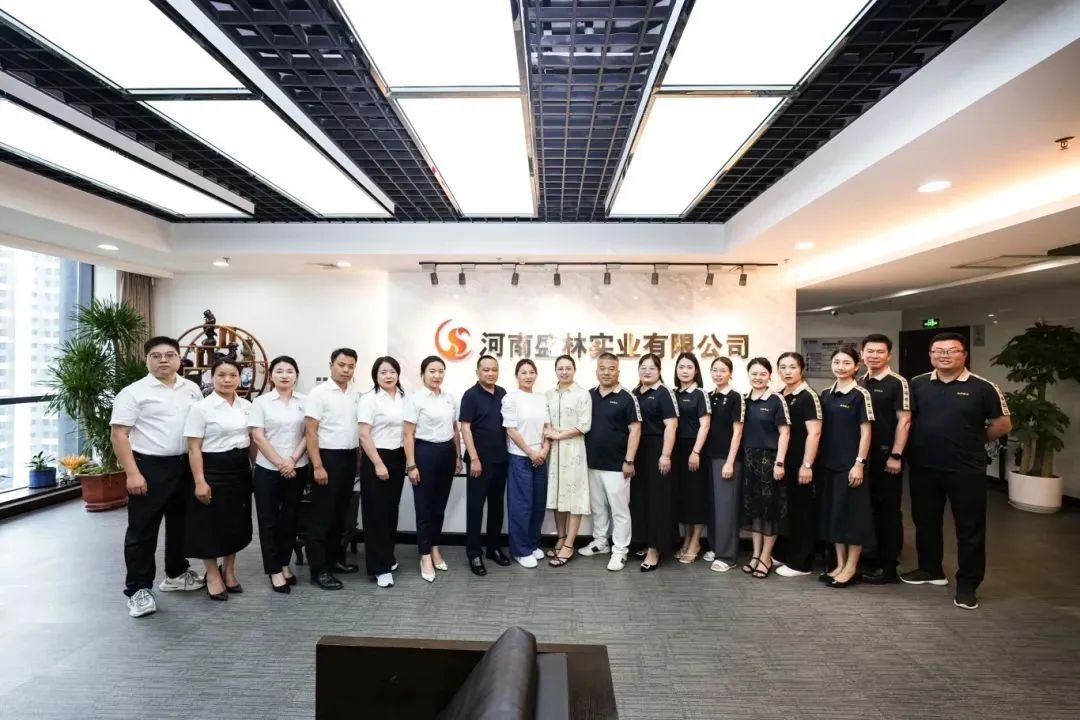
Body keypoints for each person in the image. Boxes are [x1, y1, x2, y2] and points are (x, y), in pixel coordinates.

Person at [903, 332, 1011, 610]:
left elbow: (1002, 424)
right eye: (938, 351)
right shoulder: (917, 384)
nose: (944, 355)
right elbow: (907, 419)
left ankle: (968, 584)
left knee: (970, 527)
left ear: (964, 355)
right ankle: (930, 569)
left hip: (965, 468)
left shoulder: (983, 387)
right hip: (924, 465)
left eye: (951, 350)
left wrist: (973, 439)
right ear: (930, 355)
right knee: (925, 521)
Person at [111, 336, 206, 618]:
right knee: (142, 531)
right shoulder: (133, 393)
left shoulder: (192, 389)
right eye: (156, 356)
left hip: (184, 465)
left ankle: (176, 573)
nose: (163, 360)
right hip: (149, 467)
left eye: (169, 355)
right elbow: (119, 435)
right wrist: (132, 473)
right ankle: (138, 590)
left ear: (179, 358)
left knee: (181, 524)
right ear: (147, 360)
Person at [183, 359, 253, 601]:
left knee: (236, 522)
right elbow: (193, 448)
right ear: (211, 378)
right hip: (212, 468)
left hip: (240, 468)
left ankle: (229, 570)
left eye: (232, 375)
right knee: (210, 524)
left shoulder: (247, 406)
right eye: (221, 375)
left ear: (239, 378)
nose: (227, 380)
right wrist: (199, 481)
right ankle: (212, 574)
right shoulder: (201, 408)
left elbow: (252, 441)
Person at [816, 347, 876, 588]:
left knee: (853, 517)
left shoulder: (861, 394)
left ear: (856, 367)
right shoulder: (825, 394)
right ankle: (839, 564)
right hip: (828, 465)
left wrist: (859, 463)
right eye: (837, 362)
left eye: (846, 362)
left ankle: (852, 567)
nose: (840, 367)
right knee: (834, 515)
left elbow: (866, 432)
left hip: (850, 466)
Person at [249, 356, 308, 594]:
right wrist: (280, 462)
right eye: (279, 371)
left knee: (290, 519)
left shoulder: (305, 401)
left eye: (290, 371)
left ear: (296, 376)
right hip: (267, 469)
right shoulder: (260, 402)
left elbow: (309, 434)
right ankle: (274, 570)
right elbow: (258, 436)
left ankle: (284, 563)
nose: (285, 375)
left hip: (298, 466)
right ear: (271, 375)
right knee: (268, 520)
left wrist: (292, 460)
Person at [304, 348, 362, 591]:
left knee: (340, 514)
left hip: (349, 458)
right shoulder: (318, 394)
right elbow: (310, 432)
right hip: (327, 458)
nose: (346, 370)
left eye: (350, 366)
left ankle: (334, 560)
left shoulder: (355, 394)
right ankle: (318, 571)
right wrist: (317, 465)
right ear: (331, 366)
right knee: (322, 517)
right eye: (341, 365)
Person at [858, 333, 911, 584]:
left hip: (886, 455)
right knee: (869, 506)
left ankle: (889, 566)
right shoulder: (860, 381)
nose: (874, 356)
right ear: (862, 354)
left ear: (889, 355)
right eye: (870, 351)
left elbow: (905, 421)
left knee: (888, 510)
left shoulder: (897, 383)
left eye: (880, 352)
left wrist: (896, 455)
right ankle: (872, 555)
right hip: (863, 457)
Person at [581, 352, 641, 572]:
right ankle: (600, 542)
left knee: (620, 511)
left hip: (618, 465)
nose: (606, 372)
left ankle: (620, 550)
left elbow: (635, 430)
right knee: (597, 507)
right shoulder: (589, 395)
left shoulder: (627, 397)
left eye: (611, 368)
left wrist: (629, 460)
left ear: (618, 371)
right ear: (596, 371)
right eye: (602, 368)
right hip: (592, 463)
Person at [404, 355, 462, 582]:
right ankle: (425, 555)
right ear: (423, 374)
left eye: (440, 371)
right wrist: (411, 464)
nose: (437, 375)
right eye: (432, 371)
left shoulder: (449, 398)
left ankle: (435, 548)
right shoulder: (415, 399)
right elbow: (408, 434)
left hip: (447, 452)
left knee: (439, 507)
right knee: (424, 508)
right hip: (424, 453)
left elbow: (454, 428)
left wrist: (458, 456)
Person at [458, 355, 511, 577]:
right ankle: (474, 553)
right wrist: (474, 458)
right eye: (486, 369)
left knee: (497, 507)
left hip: (501, 460)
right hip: (478, 462)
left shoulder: (503, 393)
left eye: (494, 369)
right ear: (478, 372)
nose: (490, 373)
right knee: (475, 508)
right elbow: (465, 428)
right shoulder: (470, 395)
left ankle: (493, 548)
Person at [357, 356, 406, 588]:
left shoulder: (404, 397)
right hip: (376, 457)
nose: (388, 376)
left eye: (392, 371)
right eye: (383, 372)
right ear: (375, 376)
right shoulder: (369, 399)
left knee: (390, 511)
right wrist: (378, 463)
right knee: (376, 513)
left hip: (398, 456)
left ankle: (388, 556)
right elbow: (364, 434)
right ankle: (380, 568)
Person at [740, 357, 791, 579]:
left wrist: (779, 462)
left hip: (769, 461)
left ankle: (766, 557)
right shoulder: (744, 400)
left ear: (769, 376)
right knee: (755, 511)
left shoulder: (776, 400)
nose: (758, 378)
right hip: (749, 459)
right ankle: (755, 554)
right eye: (754, 373)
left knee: (769, 512)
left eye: (762, 374)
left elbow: (785, 433)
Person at [774, 352, 823, 578]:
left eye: (792, 367)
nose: (787, 371)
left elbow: (815, 433)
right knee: (787, 511)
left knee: (802, 512)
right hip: (783, 462)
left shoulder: (808, 396)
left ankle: (801, 563)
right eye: (783, 367)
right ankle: (784, 553)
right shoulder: (779, 395)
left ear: (802, 369)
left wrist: (807, 464)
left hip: (801, 463)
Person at [543, 355, 593, 568]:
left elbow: (584, 425)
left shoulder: (582, 394)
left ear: (574, 370)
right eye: (560, 368)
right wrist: (550, 436)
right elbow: (545, 422)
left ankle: (569, 544)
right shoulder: (548, 394)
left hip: (574, 451)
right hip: (554, 452)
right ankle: (561, 537)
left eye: (568, 368)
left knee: (574, 498)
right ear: (555, 370)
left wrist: (558, 435)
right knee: (558, 496)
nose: (564, 372)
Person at [502, 359, 552, 568]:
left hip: (540, 456)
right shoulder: (510, 398)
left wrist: (544, 450)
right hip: (520, 457)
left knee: (538, 504)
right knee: (521, 505)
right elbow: (511, 430)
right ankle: (520, 550)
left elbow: (548, 427)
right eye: (523, 372)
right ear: (517, 376)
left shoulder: (541, 398)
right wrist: (531, 452)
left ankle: (532, 544)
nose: (528, 376)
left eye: (531, 372)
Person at [631, 353, 679, 572]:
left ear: (659, 371)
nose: (647, 371)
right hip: (637, 452)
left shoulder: (664, 393)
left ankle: (655, 549)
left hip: (657, 451)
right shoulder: (634, 393)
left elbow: (671, 425)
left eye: (651, 368)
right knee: (640, 499)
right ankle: (644, 541)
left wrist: (665, 455)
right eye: (643, 367)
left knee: (657, 501)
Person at [704, 356, 745, 573]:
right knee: (713, 507)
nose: (718, 374)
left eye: (723, 370)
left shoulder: (736, 397)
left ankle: (728, 556)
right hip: (710, 457)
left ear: (730, 373)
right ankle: (715, 547)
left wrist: (730, 462)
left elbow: (737, 432)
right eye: (715, 370)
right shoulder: (710, 396)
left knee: (726, 508)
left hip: (727, 459)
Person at [672, 352, 711, 564]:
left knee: (696, 498)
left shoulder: (700, 394)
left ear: (696, 370)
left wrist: (695, 451)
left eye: (689, 367)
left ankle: (695, 542)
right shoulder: (673, 393)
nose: (685, 371)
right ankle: (686, 539)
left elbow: (705, 425)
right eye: (681, 367)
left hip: (694, 450)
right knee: (684, 498)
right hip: (676, 450)